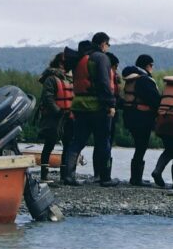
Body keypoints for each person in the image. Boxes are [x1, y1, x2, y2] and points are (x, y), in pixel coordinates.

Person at [65, 32, 121, 185]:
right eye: (108, 44)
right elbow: (104, 83)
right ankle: (105, 178)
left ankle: (68, 176)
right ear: (103, 43)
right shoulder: (101, 58)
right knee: (103, 142)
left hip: (79, 106)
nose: (108, 47)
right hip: (98, 107)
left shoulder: (81, 58)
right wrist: (111, 104)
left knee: (77, 141)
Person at [34, 48, 75, 179]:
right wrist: (58, 111)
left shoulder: (69, 79)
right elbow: (48, 97)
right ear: (61, 63)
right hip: (54, 117)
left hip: (68, 116)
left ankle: (65, 176)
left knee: (68, 144)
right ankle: (44, 175)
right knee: (49, 144)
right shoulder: (51, 79)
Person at [121, 52, 162, 179]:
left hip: (130, 116)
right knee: (141, 146)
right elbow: (154, 100)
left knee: (139, 146)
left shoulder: (132, 78)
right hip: (142, 118)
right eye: (152, 65)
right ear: (148, 65)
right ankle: (136, 178)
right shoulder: (144, 80)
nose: (152, 68)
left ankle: (135, 177)